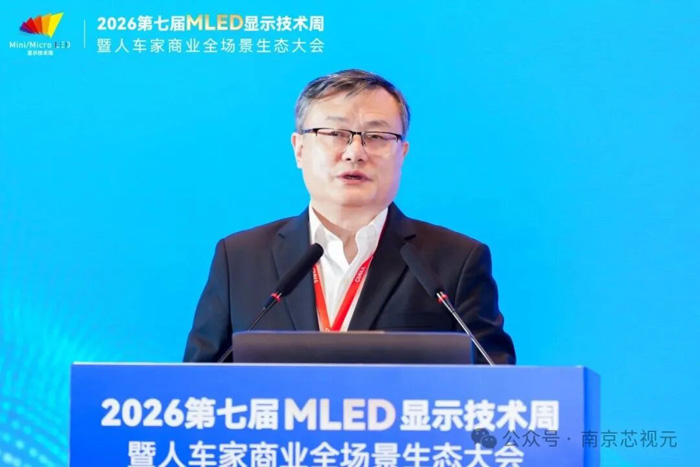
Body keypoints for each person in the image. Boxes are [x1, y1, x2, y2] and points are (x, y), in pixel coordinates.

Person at [183, 69, 515, 364]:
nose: (355, 152)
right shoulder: (240, 258)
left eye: (377, 136)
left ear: (402, 153)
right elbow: (196, 387)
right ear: (299, 149)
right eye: (334, 134)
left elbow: (498, 387)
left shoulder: (455, 261)